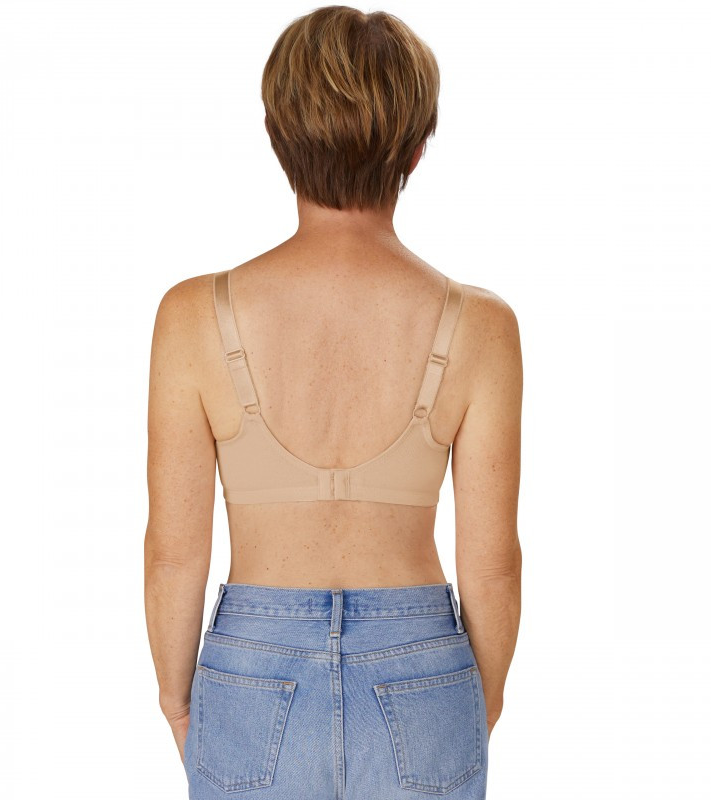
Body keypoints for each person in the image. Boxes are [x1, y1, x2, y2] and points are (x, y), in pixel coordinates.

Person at [144, 7, 522, 799]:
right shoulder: (482, 327)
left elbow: (174, 554)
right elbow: (492, 566)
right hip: (423, 668)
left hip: (250, 672)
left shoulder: (192, 318)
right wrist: (466, 710)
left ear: (278, 137)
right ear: (416, 149)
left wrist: (179, 704)